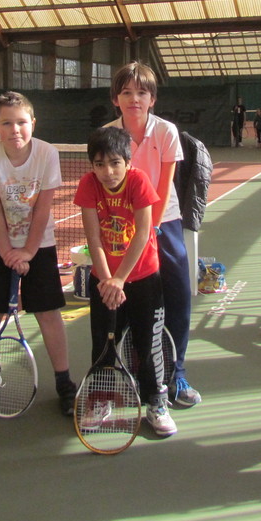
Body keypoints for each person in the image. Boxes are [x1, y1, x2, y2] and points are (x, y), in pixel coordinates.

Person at [0, 91, 76, 423]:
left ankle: (65, 384)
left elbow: (43, 209)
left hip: (40, 244)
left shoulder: (47, 154)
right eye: (6, 123)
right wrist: (8, 252)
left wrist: (29, 251)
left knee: (49, 313)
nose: (15, 129)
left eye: (21, 122)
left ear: (32, 123)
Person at [106, 61, 201, 407]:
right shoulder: (108, 135)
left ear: (152, 99)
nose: (134, 99)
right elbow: (107, 185)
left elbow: (164, 184)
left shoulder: (166, 132)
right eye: (127, 92)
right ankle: (135, 371)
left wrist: (152, 229)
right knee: (130, 302)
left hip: (164, 222)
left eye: (142, 93)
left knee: (178, 297)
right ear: (116, 99)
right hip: (123, 225)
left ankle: (177, 374)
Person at [74, 127, 177, 437]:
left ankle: (156, 403)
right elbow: (93, 237)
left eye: (115, 163)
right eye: (100, 164)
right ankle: (101, 399)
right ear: (92, 166)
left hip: (144, 278)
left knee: (148, 344)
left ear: (128, 162)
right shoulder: (88, 185)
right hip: (105, 283)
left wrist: (120, 279)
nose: (108, 172)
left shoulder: (138, 181)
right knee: (103, 345)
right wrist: (108, 280)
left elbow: (144, 233)